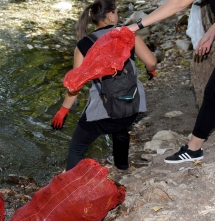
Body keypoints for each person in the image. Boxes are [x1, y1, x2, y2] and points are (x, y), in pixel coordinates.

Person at [129, 0, 215, 171]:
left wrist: (135, 27)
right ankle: (193, 149)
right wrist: (212, 31)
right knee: (213, 93)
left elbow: (178, 4)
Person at [52, 0, 157, 171]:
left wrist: (64, 110)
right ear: (110, 16)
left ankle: (71, 185)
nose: (117, 16)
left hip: (103, 113)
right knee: (122, 127)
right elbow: (151, 62)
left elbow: (75, 84)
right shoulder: (127, 34)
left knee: (78, 147)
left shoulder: (84, 44)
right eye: (116, 12)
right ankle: (122, 166)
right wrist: (150, 71)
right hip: (131, 105)